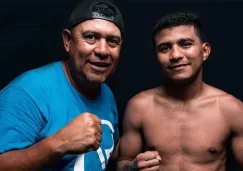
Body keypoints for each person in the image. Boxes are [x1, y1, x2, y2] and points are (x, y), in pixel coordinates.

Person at [0, 0, 124, 170]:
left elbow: (106, 152)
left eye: (112, 41)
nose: (103, 50)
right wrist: (59, 143)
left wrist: (132, 166)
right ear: (67, 41)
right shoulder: (26, 93)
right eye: (90, 37)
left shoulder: (105, 93)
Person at [117, 12, 243, 171]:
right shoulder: (139, 107)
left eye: (185, 44)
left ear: (205, 51)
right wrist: (133, 167)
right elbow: (123, 162)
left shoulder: (231, 109)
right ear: (157, 56)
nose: (175, 55)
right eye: (165, 48)